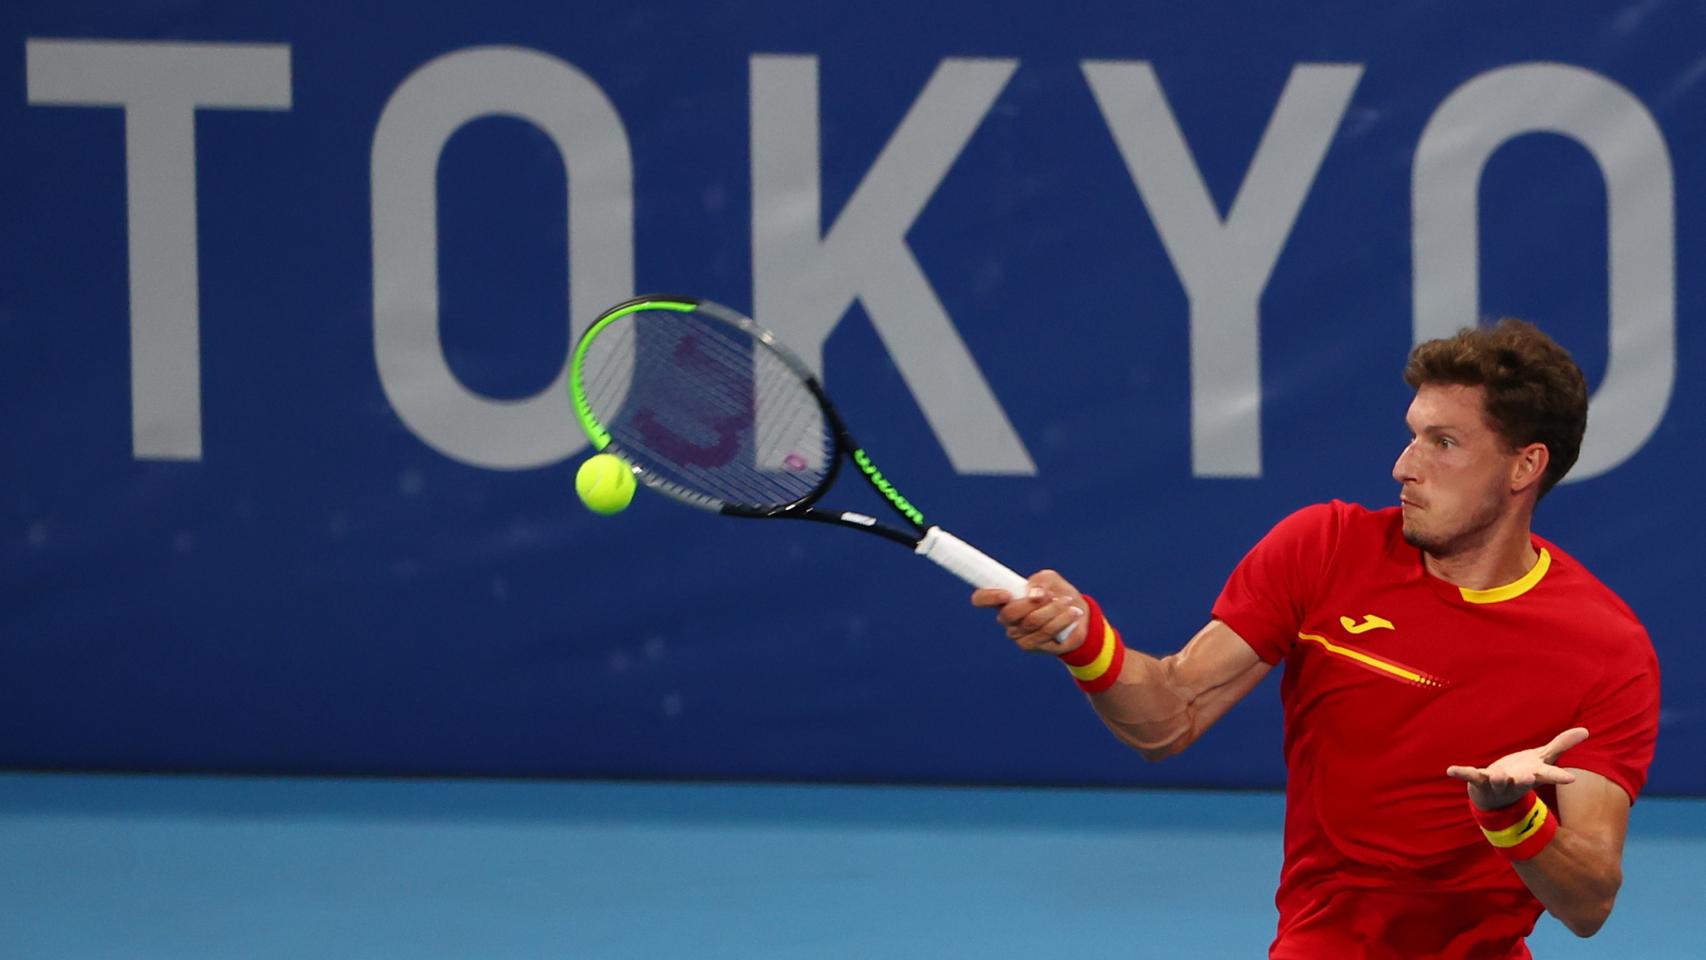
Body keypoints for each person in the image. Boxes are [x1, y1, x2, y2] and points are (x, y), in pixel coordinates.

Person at [973, 319, 1661, 959]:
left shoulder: (1605, 647)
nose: (1404, 466)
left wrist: (1511, 816)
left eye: (1443, 443)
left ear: (1523, 467)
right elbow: (1170, 715)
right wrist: (1083, 640)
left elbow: (1590, 901)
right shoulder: (1324, 550)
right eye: (1412, 434)